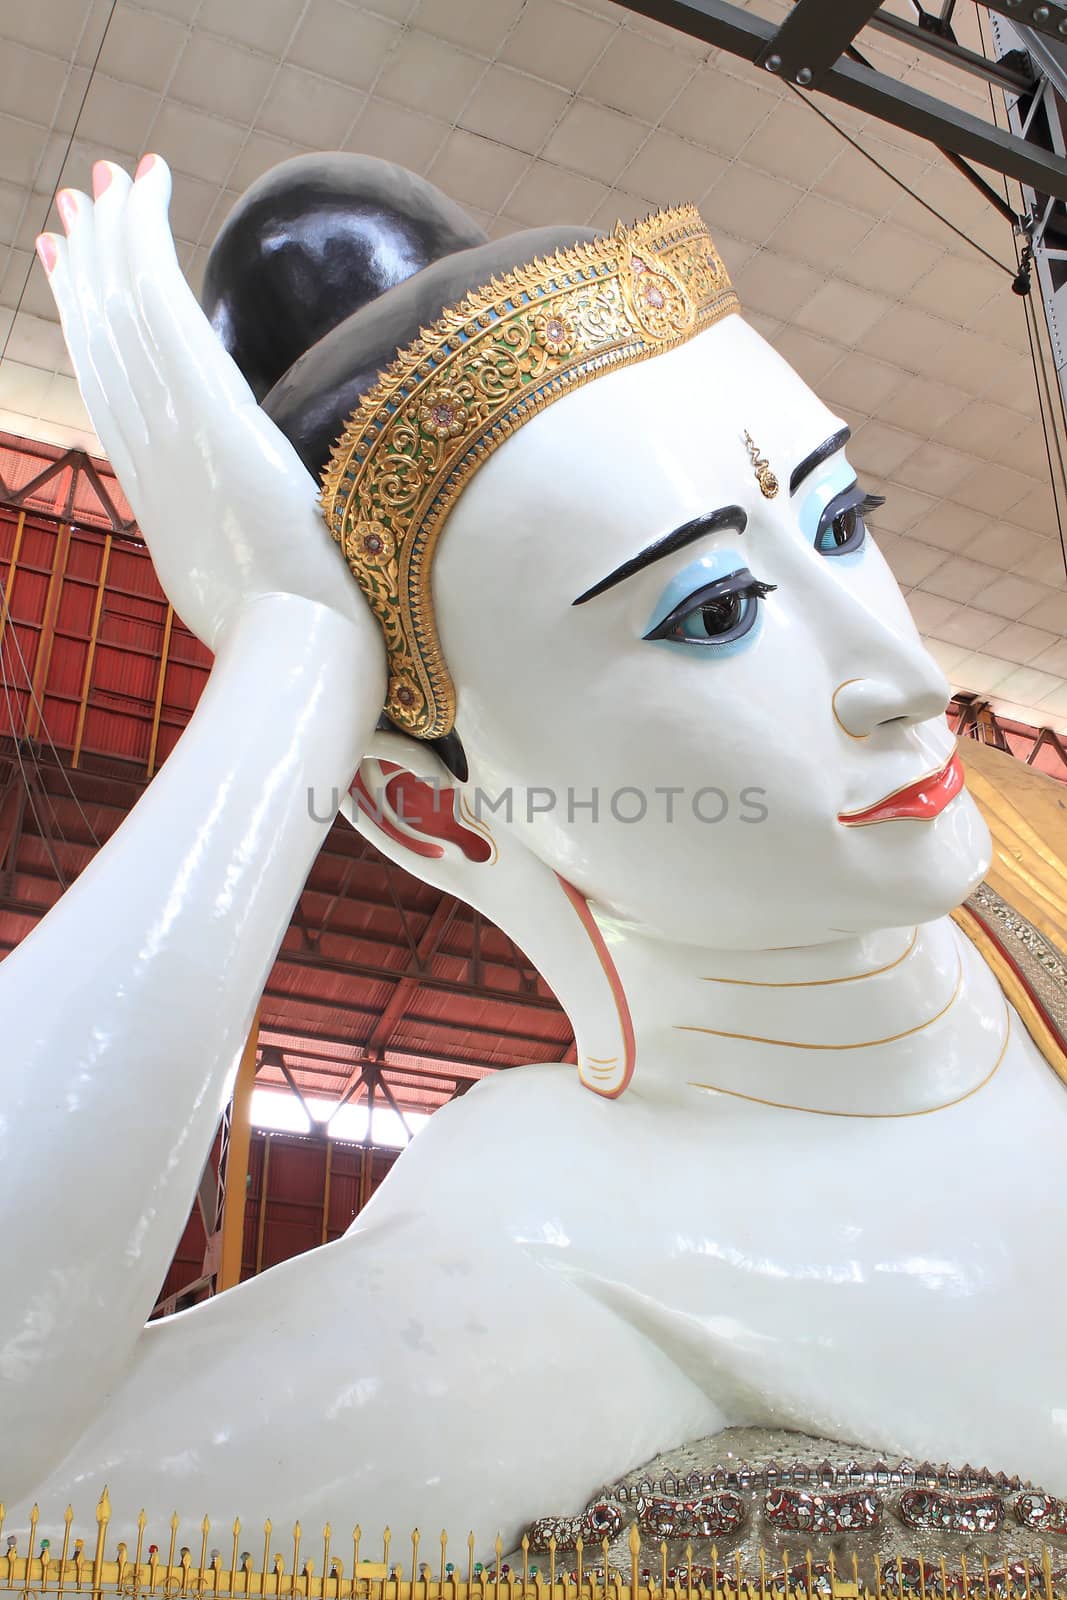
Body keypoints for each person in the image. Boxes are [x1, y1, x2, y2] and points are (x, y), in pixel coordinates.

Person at [1, 150, 1064, 1546]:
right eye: (712, 616)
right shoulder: (557, 1252)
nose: (902, 676)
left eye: (842, 523)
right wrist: (298, 662)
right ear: (435, 808)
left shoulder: (1033, 853)